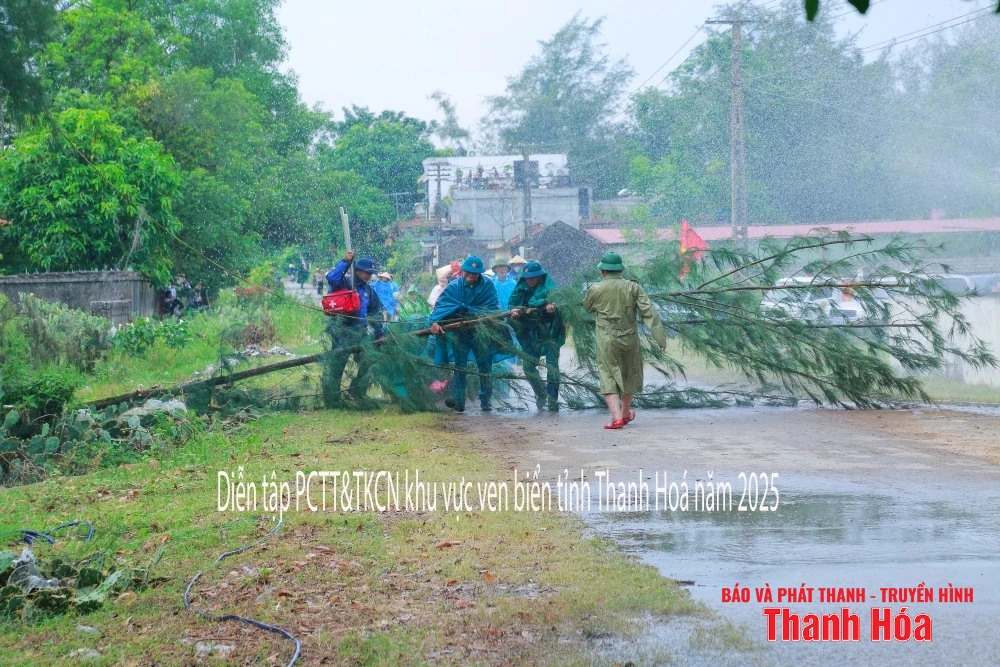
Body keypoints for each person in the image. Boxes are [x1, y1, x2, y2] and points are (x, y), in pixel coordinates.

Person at [583, 252, 667, 430]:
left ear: (602, 272)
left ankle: (616, 419)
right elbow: (649, 313)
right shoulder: (633, 287)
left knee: (608, 375)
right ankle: (624, 413)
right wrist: (661, 339)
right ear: (621, 271)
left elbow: (588, 308)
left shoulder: (595, 288)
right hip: (629, 338)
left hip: (606, 339)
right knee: (629, 374)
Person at [428, 255, 499, 413]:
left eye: (475, 273)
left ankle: (485, 400)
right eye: (468, 272)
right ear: (463, 271)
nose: (471, 275)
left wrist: (478, 315)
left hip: (481, 333)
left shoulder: (488, 285)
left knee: (485, 366)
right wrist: (434, 322)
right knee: (460, 367)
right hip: (461, 333)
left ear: (479, 273)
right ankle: (458, 401)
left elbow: (493, 307)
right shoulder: (455, 286)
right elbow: (442, 305)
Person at [323, 251, 385, 404]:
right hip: (341, 331)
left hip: (360, 333)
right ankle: (332, 399)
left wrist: (379, 334)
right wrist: (345, 262)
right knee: (337, 365)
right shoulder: (344, 283)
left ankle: (355, 391)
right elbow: (331, 278)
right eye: (367, 273)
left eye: (371, 274)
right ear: (358, 270)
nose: (369, 276)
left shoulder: (369, 291)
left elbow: (375, 313)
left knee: (369, 360)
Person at [509, 261, 565, 412]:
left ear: (540, 277)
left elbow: (560, 306)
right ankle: (541, 393)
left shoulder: (550, 289)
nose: (530, 280)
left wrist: (551, 306)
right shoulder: (521, 289)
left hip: (550, 333)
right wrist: (515, 312)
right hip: (530, 334)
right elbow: (512, 306)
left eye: (533, 278)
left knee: (552, 366)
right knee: (528, 366)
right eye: (527, 278)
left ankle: (553, 401)